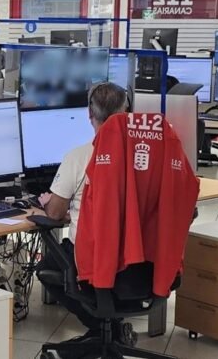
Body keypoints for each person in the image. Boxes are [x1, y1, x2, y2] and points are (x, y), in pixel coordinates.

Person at [37, 82, 130, 341]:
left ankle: (102, 328)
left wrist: (52, 204)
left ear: (90, 115)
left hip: (93, 256)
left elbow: (55, 214)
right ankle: (112, 326)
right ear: (126, 112)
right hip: (136, 257)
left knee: (46, 267)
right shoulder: (143, 155)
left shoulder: (78, 157)